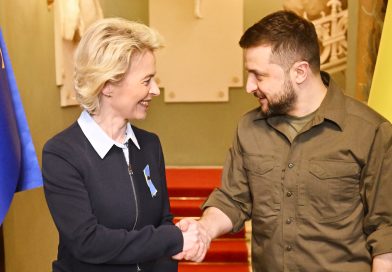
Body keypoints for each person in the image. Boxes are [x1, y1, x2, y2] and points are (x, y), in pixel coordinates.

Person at [175, 10, 392, 271]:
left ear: (300, 71)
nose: (249, 86)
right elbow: (233, 199)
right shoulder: (249, 128)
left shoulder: (371, 131)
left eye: (259, 75)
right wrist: (204, 229)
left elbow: (386, 232)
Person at [42, 18, 204, 272]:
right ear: (107, 85)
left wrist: (177, 237)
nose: (156, 90)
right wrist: (173, 238)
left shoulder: (150, 145)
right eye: (146, 80)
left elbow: (162, 222)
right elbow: (88, 242)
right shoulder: (62, 154)